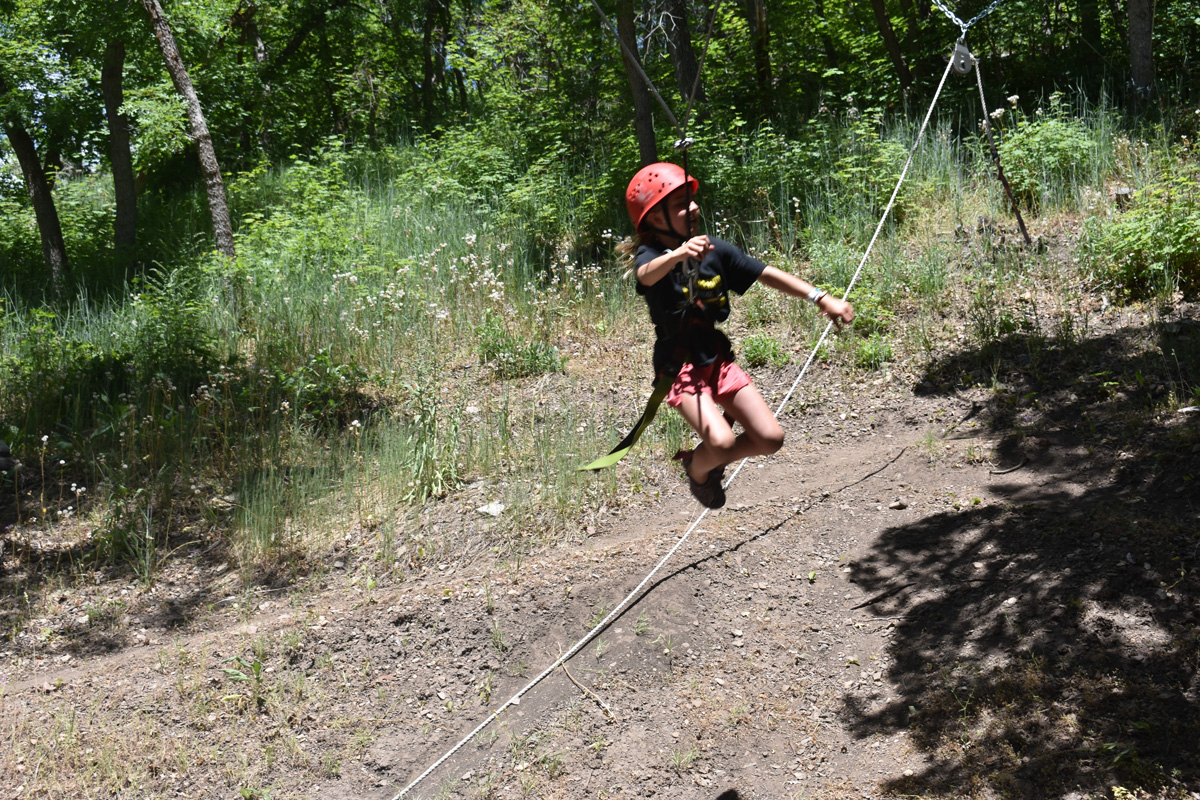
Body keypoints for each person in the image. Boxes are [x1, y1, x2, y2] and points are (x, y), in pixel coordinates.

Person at [625, 162, 854, 508]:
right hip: (679, 367)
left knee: (770, 438)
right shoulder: (652, 255)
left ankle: (705, 459)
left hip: (715, 359)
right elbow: (645, 275)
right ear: (656, 218)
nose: (694, 208)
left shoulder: (713, 250)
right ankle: (698, 470)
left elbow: (765, 273)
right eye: (682, 204)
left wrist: (820, 297)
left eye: (693, 200)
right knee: (721, 443)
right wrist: (679, 254)